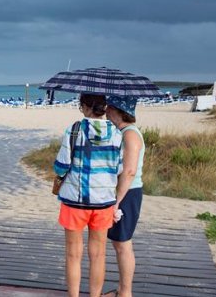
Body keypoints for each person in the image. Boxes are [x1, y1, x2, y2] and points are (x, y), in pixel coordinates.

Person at [54, 94, 123, 297]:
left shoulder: (75, 130)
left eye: (80, 106)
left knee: (73, 254)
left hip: (74, 201)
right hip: (103, 203)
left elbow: (61, 166)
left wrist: (58, 171)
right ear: (103, 107)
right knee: (99, 255)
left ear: (85, 107)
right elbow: (118, 168)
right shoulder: (118, 134)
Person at [104, 96, 144, 297]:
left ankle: (125, 293)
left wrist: (117, 201)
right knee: (119, 243)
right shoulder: (121, 133)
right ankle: (121, 290)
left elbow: (129, 171)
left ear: (119, 110)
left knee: (123, 244)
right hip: (122, 191)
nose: (107, 111)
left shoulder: (130, 135)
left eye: (110, 107)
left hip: (127, 193)